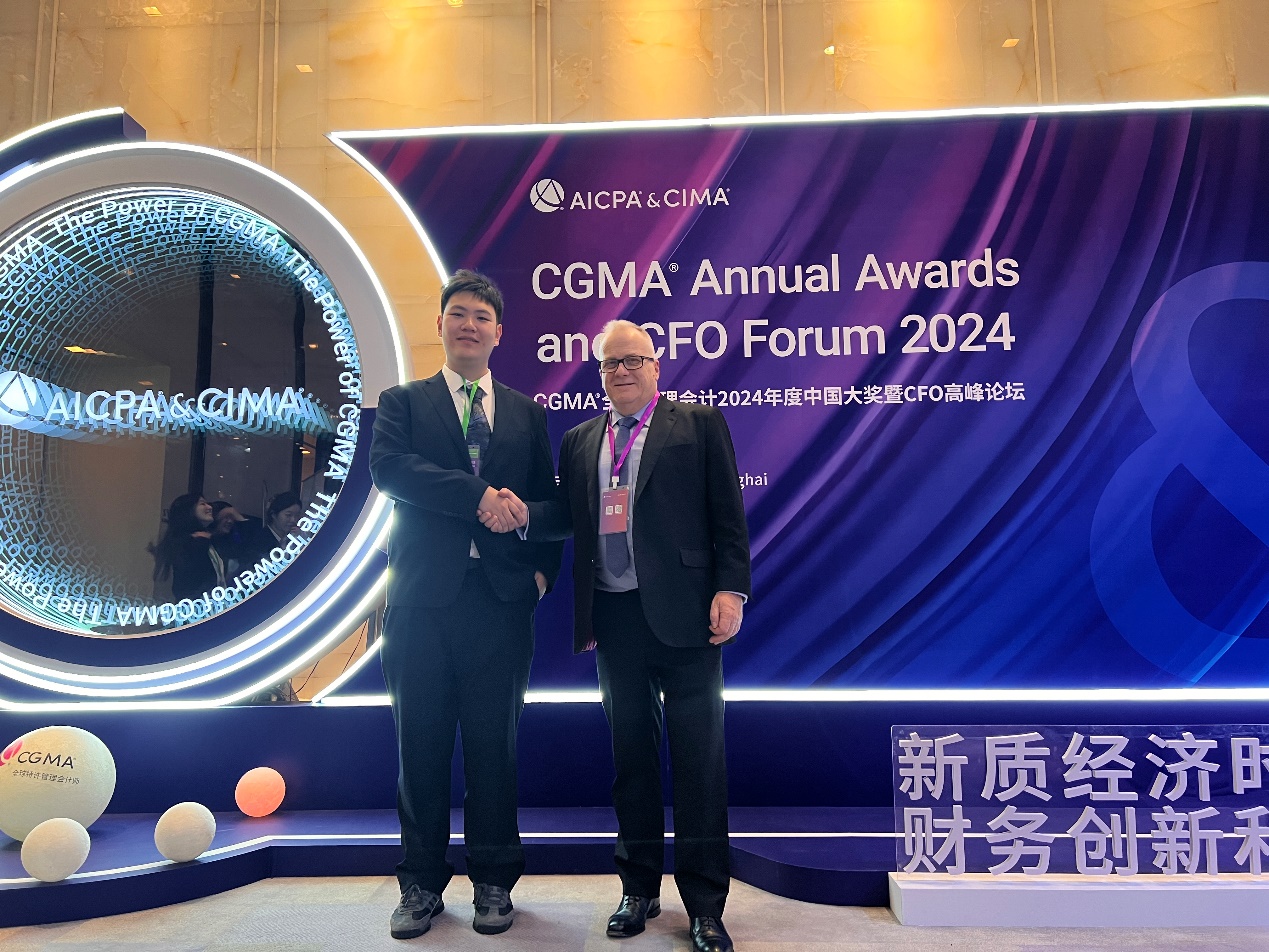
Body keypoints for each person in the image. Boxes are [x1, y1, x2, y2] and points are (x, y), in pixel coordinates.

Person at [486, 319, 750, 952]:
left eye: (633, 360)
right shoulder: (581, 440)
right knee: (630, 761)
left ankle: (705, 905)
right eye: (610, 363)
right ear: (599, 373)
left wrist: (730, 590)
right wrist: (522, 514)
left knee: (699, 763)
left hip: (688, 614)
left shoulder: (698, 424)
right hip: (615, 616)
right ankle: (638, 889)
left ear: (656, 366)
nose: (622, 371)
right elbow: (567, 516)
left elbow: (727, 515)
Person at [369, 269, 562, 940]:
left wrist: (540, 577)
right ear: (441, 325)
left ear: (498, 332)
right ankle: (420, 885)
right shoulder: (403, 402)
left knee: (492, 750)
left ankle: (493, 881)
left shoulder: (526, 413)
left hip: (500, 605)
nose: (470, 325)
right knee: (419, 748)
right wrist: (475, 495)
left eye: (482, 316)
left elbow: (549, 503)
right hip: (421, 604)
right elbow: (390, 469)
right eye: (459, 313)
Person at [151, 493, 227, 601]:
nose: (209, 507)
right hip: (198, 607)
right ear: (188, 510)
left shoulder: (207, 541)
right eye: (202, 504)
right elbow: (188, 583)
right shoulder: (188, 544)